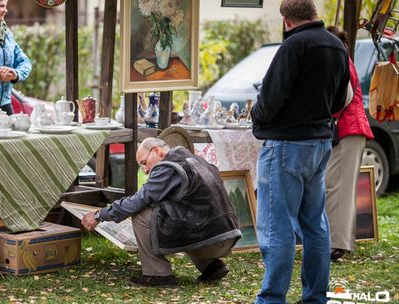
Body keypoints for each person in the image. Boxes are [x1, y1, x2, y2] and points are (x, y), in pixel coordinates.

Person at [250, 0, 350, 302]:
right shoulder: (336, 45)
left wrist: (258, 118)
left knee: (277, 225)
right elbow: (341, 97)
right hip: (319, 141)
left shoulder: (293, 46)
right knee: (314, 223)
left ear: (286, 21)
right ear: (313, 14)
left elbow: (271, 95)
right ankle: (316, 296)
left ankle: (272, 298)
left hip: (287, 143)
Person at [81, 138, 241, 288]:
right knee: (182, 214)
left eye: (144, 163)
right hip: (228, 235)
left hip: (211, 241)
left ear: (157, 151)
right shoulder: (194, 160)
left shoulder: (168, 167)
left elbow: (138, 201)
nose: (144, 170)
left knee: (141, 213)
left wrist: (99, 215)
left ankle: (158, 275)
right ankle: (211, 266)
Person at [325, 26, 375, 261]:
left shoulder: (341, 60)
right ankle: (338, 241)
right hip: (349, 129)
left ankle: (338, 244)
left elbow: (341, 99)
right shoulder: (344, 59)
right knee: (337, 186)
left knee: (337, 187)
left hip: (349, 128)